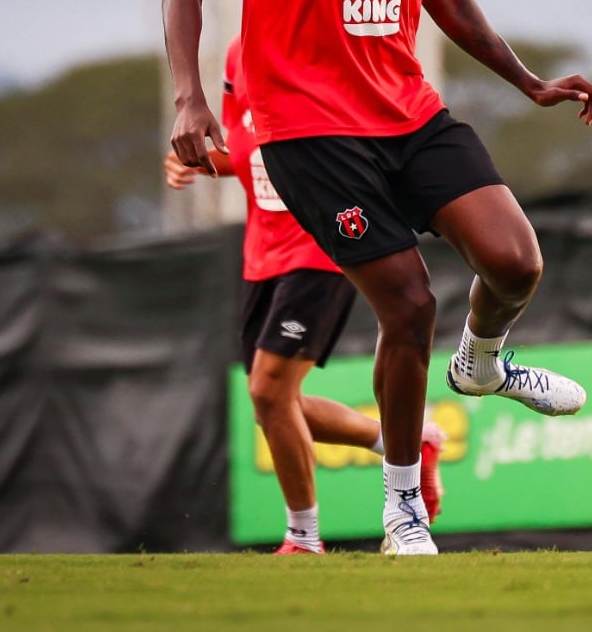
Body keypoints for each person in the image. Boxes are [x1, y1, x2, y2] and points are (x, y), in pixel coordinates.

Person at [164, 0, 592, 556]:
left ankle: (483, 363)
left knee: (515, 260)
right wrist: (190, 96)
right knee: (407, 304)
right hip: (308, 135)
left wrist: (528, 81)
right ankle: (403, 508)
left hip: (407, 112)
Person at [163, 35, 444, 555]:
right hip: (260, 257)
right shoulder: (237, 53)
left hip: (322, 248)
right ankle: (405, 440)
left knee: (269, 391)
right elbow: (244, 151)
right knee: (275, 401)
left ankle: (303, 537)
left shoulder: (328, 44)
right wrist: (199, 161)